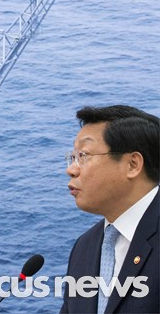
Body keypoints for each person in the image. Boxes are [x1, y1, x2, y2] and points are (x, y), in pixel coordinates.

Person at [61, 105, 159, 313]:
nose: (71, 169)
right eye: (72, 157)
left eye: (83, 155)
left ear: (132, 164)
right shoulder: (84, 247)